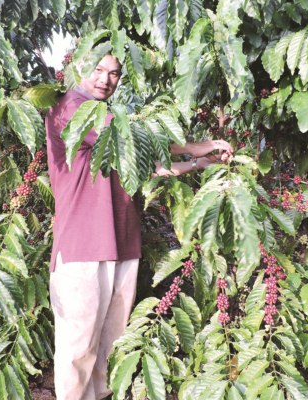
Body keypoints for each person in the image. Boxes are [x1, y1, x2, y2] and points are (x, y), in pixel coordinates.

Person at [45, 54, 233, 400]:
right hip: (82, 246)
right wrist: (196, 144)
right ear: (79, 69)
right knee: (78, 345)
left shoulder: (112, 119)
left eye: (114, 73)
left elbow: (151, 163)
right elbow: (133, 139)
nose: (105, 79)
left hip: (121, 242)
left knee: (110, 342)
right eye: (98, 70)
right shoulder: (71, 106)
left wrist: (201, 161)